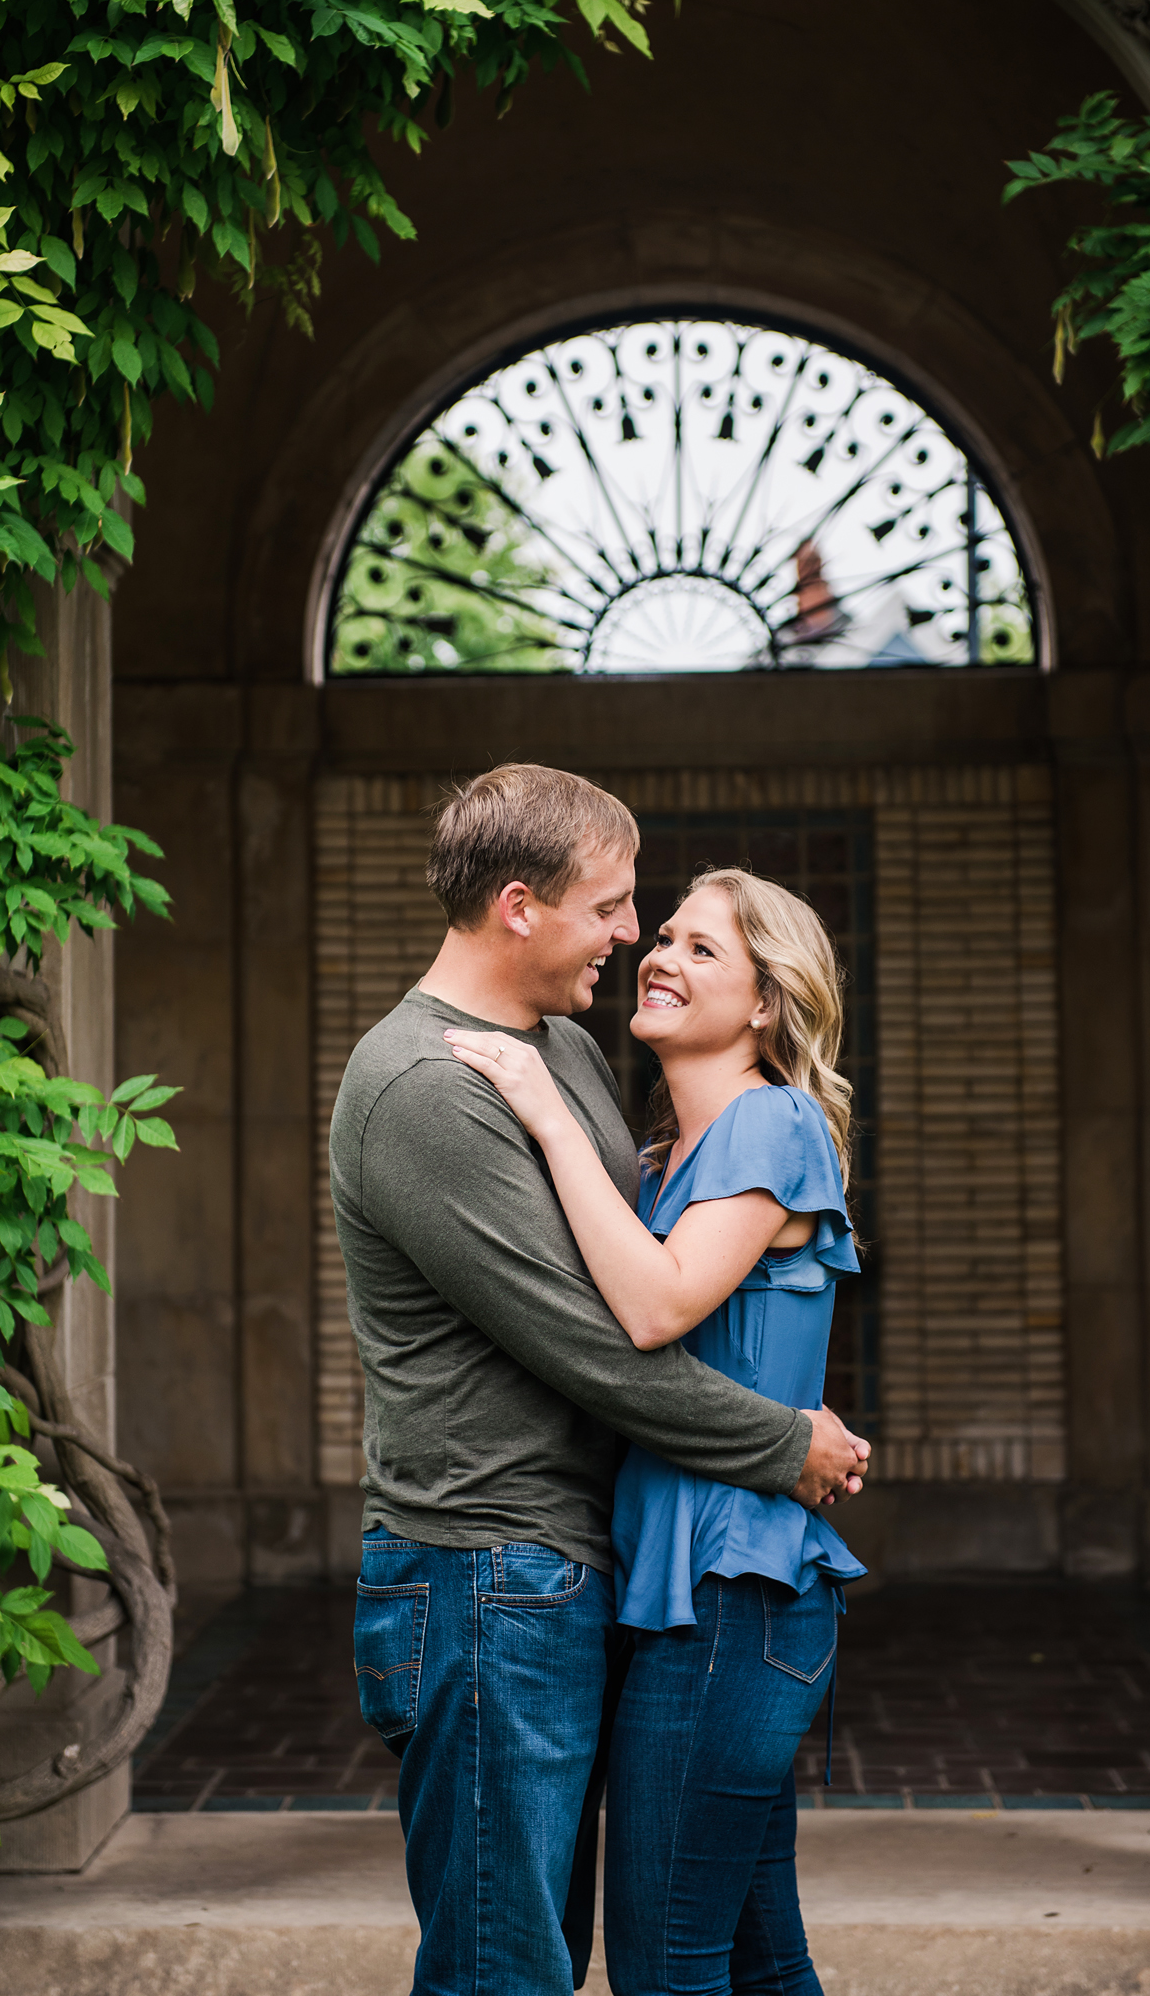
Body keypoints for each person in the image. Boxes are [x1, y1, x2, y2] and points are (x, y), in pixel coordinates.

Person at [330, 765, 869, 1996]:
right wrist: (779, 1439)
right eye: (619, 908)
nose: (633, 937)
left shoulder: (566, 1053)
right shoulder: (426, 1085)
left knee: (618, 1948)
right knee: (504, 1963)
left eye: (669, 924)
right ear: (518, 905)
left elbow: (658, 1290)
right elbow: (596, 1336)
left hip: (596, 1570)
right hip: (482, 1568)